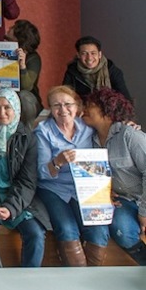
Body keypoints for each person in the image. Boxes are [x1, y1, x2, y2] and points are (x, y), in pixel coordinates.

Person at [0, 88, 51, 267]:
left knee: (36, 233)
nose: (2, 113)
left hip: (15, 196)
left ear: (16, 109)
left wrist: (10, 208)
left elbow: (27, 181)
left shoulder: (27, 137)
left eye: (7, 107)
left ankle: (27, 282)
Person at [34, 85, 108, 267]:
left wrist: (129, 125)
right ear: (50, 109)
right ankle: (78, 280)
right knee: (67, 229)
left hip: (86, 188)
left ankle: (92, 280)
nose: (63, 110)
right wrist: (57, 162)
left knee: (98, 229)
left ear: (77, 107)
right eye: (56, 105)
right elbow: (41, 173)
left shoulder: (87, 128)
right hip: (54, 188)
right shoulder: (43, 131)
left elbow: (110, 130)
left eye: (68, 104)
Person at [82, 88, 146, 265]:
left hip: (142, 199)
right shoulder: (90, 140)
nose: (84, 109)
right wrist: (104, 194)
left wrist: (144, 213)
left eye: (90, 106)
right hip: (122, 200)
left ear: (107, 111)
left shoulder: (130, 135)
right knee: (123, 230)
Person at [62, 35, 131, 101]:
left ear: (99, 54)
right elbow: (65, 97)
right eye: (84, 53)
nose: (89, 58)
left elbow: (125, 99)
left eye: (93, 53)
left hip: (107, 111)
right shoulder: (72, 72)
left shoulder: (112, 71)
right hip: (82, 111)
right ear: (78, 55)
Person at [5, 19, 43, 114]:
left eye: (13, 28)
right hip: (5, 92)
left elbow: (27, 87)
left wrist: (22, 66)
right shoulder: (3, 48)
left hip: (27, 98)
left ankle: (26, 128)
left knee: (24, 96)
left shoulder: (33, 58)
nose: (9, 28)